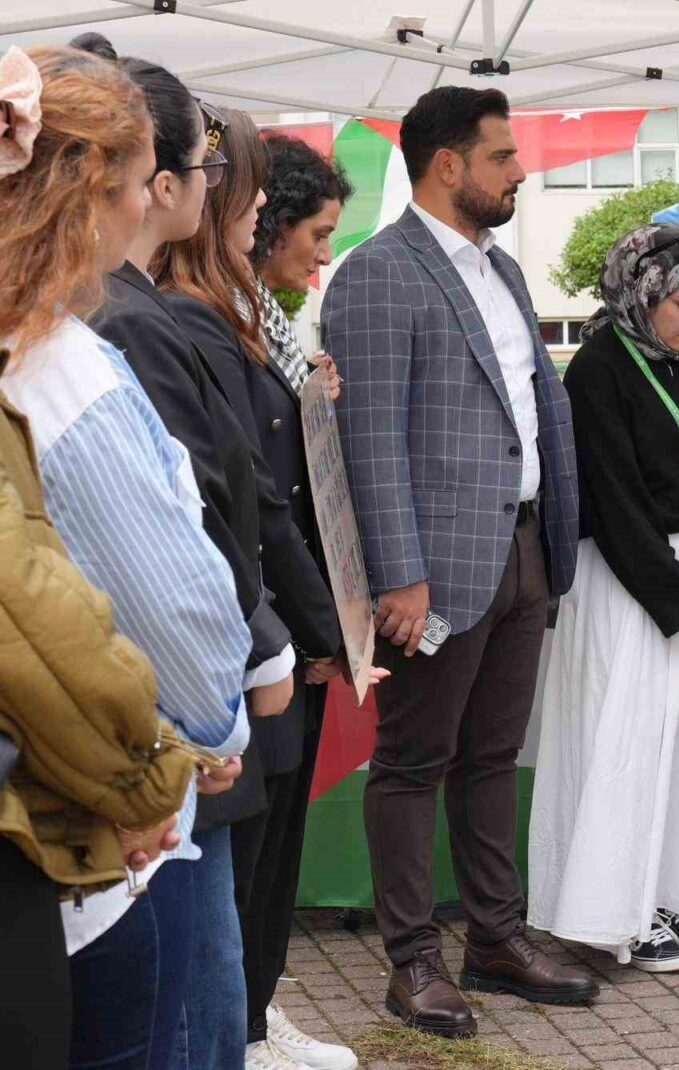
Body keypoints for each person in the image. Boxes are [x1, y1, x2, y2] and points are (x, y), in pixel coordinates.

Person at [323, 85, 596, 1038]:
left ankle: (496, 939)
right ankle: (413, 963)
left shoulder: (504, 271)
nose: (520, 170)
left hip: (522, 550)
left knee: (491, 759)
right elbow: (370, 440)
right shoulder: (376, 273)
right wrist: (399, 573)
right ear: (449, 165)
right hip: (433, 571)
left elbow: (529, 407)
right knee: (411, 763)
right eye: (503, 156)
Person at [0, 44, 252, 1070]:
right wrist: (200, 729)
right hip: (110, 825)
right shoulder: (61, 361)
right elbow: (170, 603)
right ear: (96, 189)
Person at [73, 40, 296, 1069]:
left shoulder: (111, 320)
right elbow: (181, 545)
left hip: (145, 742)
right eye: (208, 168)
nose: (223, 192)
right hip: (155, 749)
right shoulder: (111, 331)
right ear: (141, 182)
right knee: (182, 1018)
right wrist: (240, 680)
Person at [153, 110, 358, 1070]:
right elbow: (242, 505)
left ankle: (251, 1011)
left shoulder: (253, 319)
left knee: (267, 858)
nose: (321, 254)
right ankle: (236, 1025)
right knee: (244, 862)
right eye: (313, 234)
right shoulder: (192, 321)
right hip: (254, 631)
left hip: (278, 625)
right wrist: (313, 631)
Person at [528, 224, 679, 972]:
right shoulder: (599, 367)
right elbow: (611, 497)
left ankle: (673, 894)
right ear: (644, 294)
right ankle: (610, 912)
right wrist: (676, 593)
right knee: (626, 741)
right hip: (632, 582)